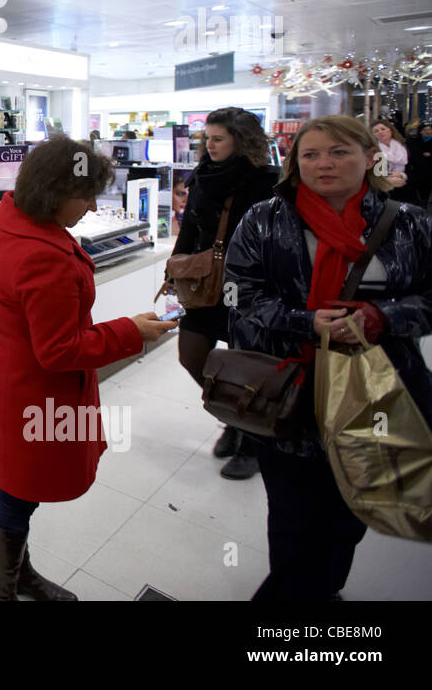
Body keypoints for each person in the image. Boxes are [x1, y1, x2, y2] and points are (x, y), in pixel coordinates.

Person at [225, 115, 432, 601]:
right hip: (290, 393)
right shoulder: (264, 219)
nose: (324, 164)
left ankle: (322, 584)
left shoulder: (411, 224)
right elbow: (237, 296)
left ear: (368, 157)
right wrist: (305, 321)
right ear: (294, 162)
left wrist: (384, 317)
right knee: (294, 514)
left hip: (376, 392)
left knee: (351, 509)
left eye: (339, 152)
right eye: (310, 154)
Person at [0, 135, 176, 600]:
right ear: (57, 192)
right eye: (85, 196)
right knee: (19, 488)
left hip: (2, 375)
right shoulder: (45, 257)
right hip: (33, 391)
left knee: (10, 480)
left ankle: (14, 574)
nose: (90, 206)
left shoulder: (5, 217)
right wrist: (132, 332)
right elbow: (58, 350)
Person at [171, 107, 279, 480]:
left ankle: (250, 437)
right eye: (208, 138)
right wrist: (175, 266)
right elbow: (190, 226)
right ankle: (234, 415)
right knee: (191, 354)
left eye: (218, 138)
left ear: (241, 139)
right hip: (206, 282)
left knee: (245, 363)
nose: (209, 145)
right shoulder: (203, 175)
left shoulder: (266, 181)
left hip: (248, 286)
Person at [371, 119, 416, 203]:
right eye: (376, 131)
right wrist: (386, 180)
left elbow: (420, 170)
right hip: (383, 194)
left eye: (383, 129)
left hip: (407, 192)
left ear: (390, 130)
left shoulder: (407, 146)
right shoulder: (372, 151)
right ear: (373, 135)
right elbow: (370, 174)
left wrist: (403, 175)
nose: (380, 132)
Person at [407, 121, 432, 208]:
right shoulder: (415, 142)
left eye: (429, 129)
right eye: (425, 130)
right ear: (421, 131)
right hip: (418, 170)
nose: (428, 131)